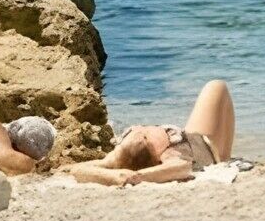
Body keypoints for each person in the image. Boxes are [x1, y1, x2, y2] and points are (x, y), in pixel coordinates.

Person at [67, 79, 234, 186]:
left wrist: (112, 173)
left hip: (192, 138)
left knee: (216, 88)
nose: (140, 128)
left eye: (133, 130)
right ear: (157, 153)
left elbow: (75, 170)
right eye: (144, 135)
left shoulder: (122, 154)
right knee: (216, 87)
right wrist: (137, 177)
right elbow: (182, 168)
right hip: (208, 145)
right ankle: (223, 158)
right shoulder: (170, 155)